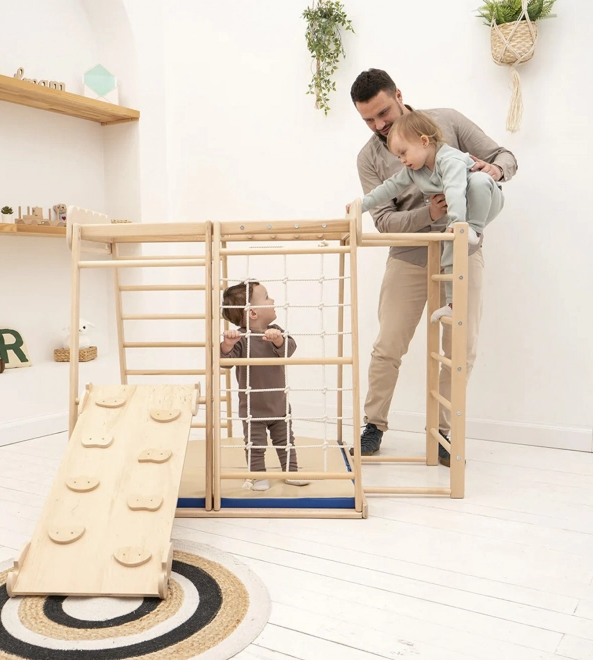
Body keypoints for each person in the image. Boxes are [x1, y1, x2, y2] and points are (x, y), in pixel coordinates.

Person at [350, 68, 518, 465]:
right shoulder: (369, 157)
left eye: (383, 113)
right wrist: (430, 213)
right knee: (388, 345)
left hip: (462, 250)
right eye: (368, 120)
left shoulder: (447, 120)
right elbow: (385, 222)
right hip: (407, 257)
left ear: (399, 95)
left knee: (460, 345)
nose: (378, 125)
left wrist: (491, 172)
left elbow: (505, 157)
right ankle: (374, 424)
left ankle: (444, 430)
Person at [353, 110, 504, 322]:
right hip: (461, 214)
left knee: (478, 181)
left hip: (484, 202)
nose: (402, 160)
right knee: (450, 250)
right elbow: (389, 187)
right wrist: (360, 205)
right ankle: (452, 304)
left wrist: (457, 222)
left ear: (424, 141)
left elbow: (455, 189)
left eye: (404, 153)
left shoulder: (449, 159)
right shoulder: (416, 169)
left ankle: (475, 230)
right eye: (398, 156)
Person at [220, 280, 310, 491]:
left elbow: (289, 349)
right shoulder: (241, 338)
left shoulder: (276, 331)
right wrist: (228, 344)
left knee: (286, 441)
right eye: (267, 297)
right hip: (253, 409)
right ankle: (257, 475)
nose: (273, 300)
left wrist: (278, 340)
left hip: (278, 405)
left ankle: (291, 471)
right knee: (255, 445)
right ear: (253, 313)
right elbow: (225, 362)